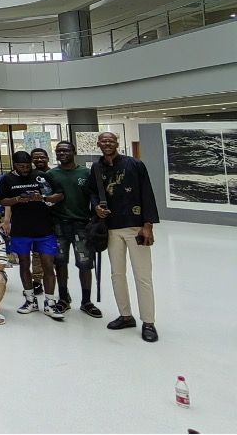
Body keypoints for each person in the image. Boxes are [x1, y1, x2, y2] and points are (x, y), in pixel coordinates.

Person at [89, 132, 159, 342]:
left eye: (111, 140)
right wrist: (96, 207)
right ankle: (125, 315)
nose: (107, 143)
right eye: (103, 141)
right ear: (98, 144)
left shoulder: (135, 164)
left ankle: (148, 322)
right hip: (111, 228)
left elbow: (147, 193)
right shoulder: (96, 168)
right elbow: (92, 193)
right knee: (117, 274)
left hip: (136, 227)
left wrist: (148, 225)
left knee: (143, 276)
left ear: (117, 143)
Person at [0, 151, 65, 320]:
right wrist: (17, 200)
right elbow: (2, 200)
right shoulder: (7, 179)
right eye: (21, 166)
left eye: (28, 166)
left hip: (44, 229)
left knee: (48, 265)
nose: (25, 169)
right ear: (14, 165)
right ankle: (30, 300)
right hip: (21, 230)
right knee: (24, 264)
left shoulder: (41, 176)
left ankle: (50, 302)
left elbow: (59, 195)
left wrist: (42, 197)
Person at [48, 141, 102, 318]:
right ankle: (64, 298)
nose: (62, 153)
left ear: (74, 151)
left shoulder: (86, 173)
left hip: (82, 225)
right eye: (58, 151)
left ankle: (86, 302)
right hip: (58, 225)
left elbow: (94, 197)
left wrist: (95, 219)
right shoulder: (51, 174)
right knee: (60, 262)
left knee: (85, 264)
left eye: (66, 150)